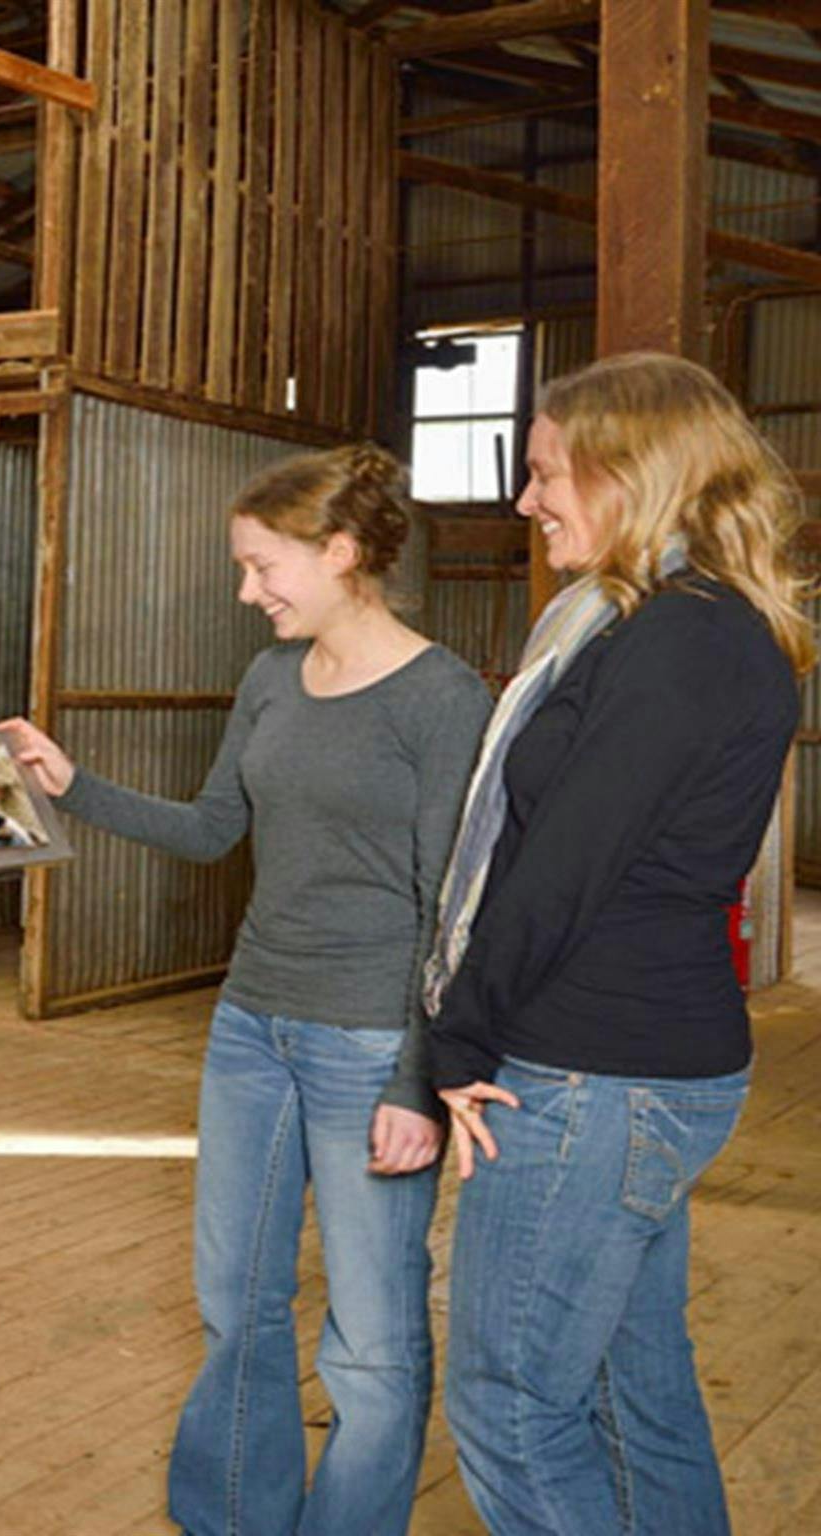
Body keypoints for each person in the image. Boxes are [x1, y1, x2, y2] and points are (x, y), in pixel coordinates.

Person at [0, 443, 493, 1536]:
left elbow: (447, 912)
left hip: (368, 1043)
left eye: (262, 566)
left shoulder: (441, 699)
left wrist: (418, 1081)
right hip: (250, 1029)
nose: (246, 590)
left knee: (368, 1341)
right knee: (234, 1306)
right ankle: (229, 1515)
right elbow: (213, 827)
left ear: (341, 553)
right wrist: (69, 785)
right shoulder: (271, 678)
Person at [423, 352, 810, 1536]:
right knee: (624, 1388)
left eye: (545, 474)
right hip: (636, 1065)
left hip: (591, 1071)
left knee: (504, 1402)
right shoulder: (678, 625)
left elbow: (559, 869)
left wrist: (453, 1036)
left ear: (632, 474)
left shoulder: (680, 638)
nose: (525, 500)